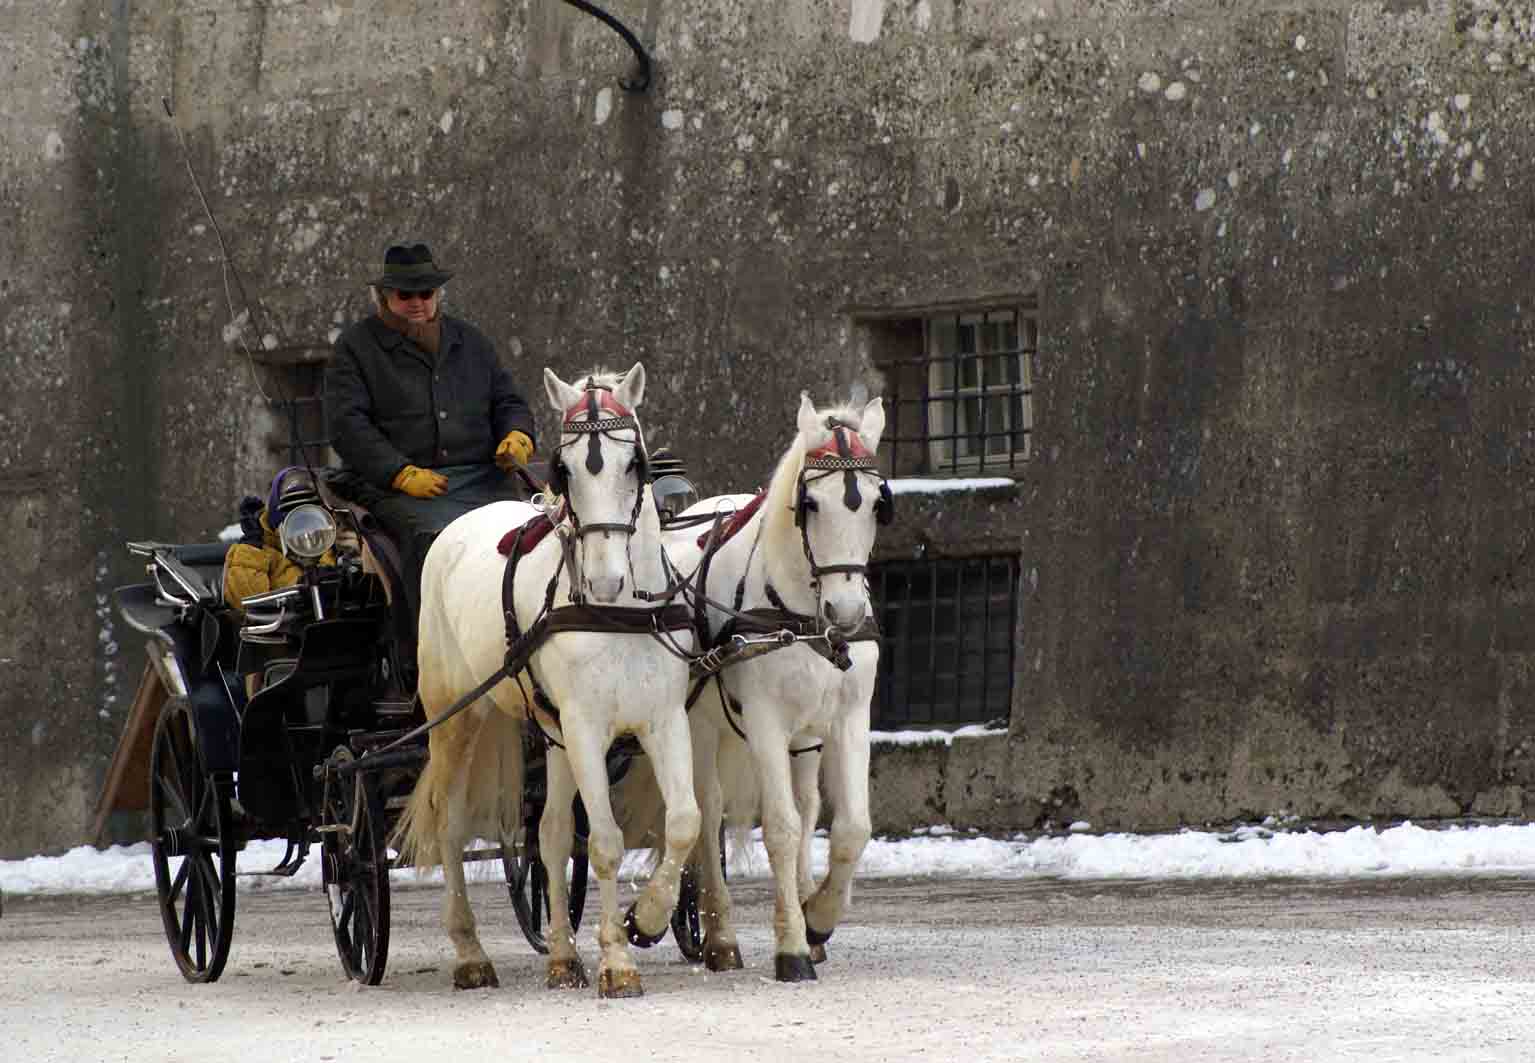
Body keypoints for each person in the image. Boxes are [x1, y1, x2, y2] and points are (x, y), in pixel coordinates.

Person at [324, 241, 536, 646]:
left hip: (481, 478)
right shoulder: (354, 349)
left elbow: (507, 400)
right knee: (434, 540)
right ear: (384, 297)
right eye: (406, 295)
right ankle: (428, 652)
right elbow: (347, 426)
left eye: (426, 293)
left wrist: (518, 434)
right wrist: (399, 472)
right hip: (395, 487)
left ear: (438, 294)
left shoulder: (471, 342)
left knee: (532, 533)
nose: (417, 302)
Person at [223, 468, 337, 612]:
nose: (304, 530)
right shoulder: (255, 549)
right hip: (287, 628)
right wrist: (251, 548)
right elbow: (246, 602)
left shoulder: (334, 542)